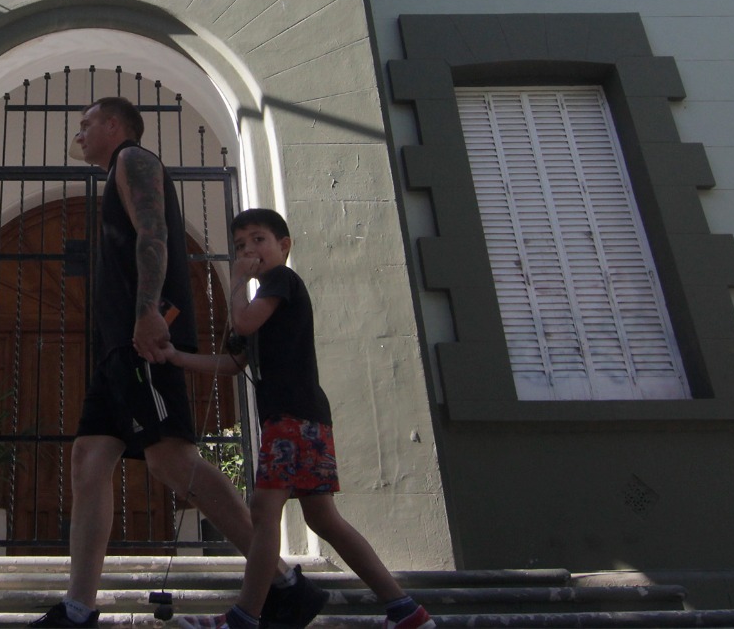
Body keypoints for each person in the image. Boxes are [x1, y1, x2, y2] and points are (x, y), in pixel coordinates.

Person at [31, 99, 327, 629]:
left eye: (87, 123)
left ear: (115, 126)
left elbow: (155, 234)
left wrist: (147, 310)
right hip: (118, 350)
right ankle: (78, 609)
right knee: (88, 459)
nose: (79, 131)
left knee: (171, 460)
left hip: (146, 340)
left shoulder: (134, 160)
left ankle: (283, 583)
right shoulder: (118, 171)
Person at [167, 209, 436, 629]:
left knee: (262, 511)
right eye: (240, 245)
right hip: (302, 416)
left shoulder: (280, 282)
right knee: (323, 518)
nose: (249, 250)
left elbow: (242, 320)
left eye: (258, 240)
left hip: (293, 416)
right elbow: (233, 362)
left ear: (283, 245)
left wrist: (236, 281)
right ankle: (405, 610)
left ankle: (244, 617)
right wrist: (174, 358)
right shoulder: (262, 300)